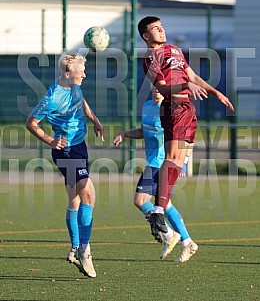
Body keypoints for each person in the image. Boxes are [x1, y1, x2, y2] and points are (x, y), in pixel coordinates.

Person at [137, 16, 234, 250]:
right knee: (172, 159)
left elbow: (193, 77)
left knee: (176, 162)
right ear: (146, 36)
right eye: (155, 29)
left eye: (162, 27)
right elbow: (160, 87)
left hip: (187, 109)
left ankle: (161, 210)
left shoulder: (176, 50)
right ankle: (160, 210)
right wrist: (184, 87)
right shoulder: (151, 57)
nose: (161, 30)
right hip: (174, 108)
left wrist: (215, 92)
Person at [26, 51, 104, 278]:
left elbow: (82, 100)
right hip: (65, 151)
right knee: (89, 192)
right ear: (68, 74)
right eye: (81, 73)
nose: (85, 76)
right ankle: (84, 250)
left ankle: (74, 245)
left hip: (80, 147)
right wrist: (51, 140)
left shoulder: (74, 86)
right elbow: (31, 123)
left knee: (75, 198)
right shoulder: (52, 97)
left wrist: (95, 120)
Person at [113, 86, 196, 262]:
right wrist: (125, 134)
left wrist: (183, 163)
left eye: (161, 87)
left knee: (141, 200)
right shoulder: (148, 106)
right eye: (156, 87)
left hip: (163, 163)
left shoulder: (172, 109)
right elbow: (145, 131)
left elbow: (186, 137)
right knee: (165, 204)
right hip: (153, 162)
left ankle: (171, 236)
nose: (158, 90)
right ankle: (185, 240)